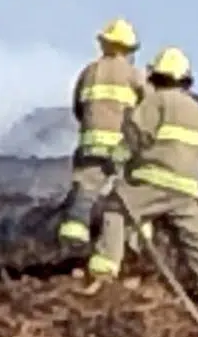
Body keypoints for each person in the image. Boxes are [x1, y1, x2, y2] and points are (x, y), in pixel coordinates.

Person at [84, 47, 198, 305]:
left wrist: (116, 159)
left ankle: (104, 272)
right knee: (196, 236)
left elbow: (136, 136)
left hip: (153, 180)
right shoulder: (197, 111)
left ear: (155, 77)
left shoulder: (154, 102)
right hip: (186, 188)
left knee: (115, 210)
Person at [57, 18, 146, 252]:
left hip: (90, 145)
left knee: (86, 187)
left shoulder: (89, 72)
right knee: (129, 192)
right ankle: (133, 241)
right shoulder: (134, 75)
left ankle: (74, 231)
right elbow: (147, 111)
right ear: (128, 49)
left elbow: (78, 108)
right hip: (121, 147)